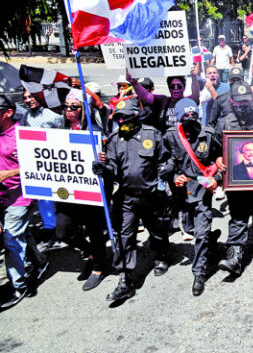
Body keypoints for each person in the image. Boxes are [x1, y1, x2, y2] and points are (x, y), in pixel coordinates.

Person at [92, 98, 171, 302]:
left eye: (125, 117)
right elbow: (112, 168)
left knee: (157, 230)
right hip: (127, 197)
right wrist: (103, 169)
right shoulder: (114, 139)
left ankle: (161, 256)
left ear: (136, 115)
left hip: (152, 195)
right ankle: (125, 280)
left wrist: (164, 172)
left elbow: (167, 159)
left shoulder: (151, 134)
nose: (121, 121)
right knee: (124, 236)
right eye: (118, 118)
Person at [215, 81, 253, 277]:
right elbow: (215, 148)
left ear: (252, 99)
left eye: (246, 101)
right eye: (238, 102)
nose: (242, 105)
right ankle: (235, 256)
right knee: (238, 215)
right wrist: (217, 159)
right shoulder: (225, 123)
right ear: (231, 101)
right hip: (236, 182)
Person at [161, 99, 222, 296]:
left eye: (193, 115)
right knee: (189, 228)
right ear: (179, 118)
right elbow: (161, 163)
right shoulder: (171, 137)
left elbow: (225, 159)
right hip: (181, 193)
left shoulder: (209, 136)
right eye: (185, 116)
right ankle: (209, 240)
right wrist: (172, 175)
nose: (190, 119)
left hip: (202, 190)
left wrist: (217, 178)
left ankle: (199, 273)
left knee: (201, 231)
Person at [55, 92, 108, 292]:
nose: (69, 110)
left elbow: (109, 160)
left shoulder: (93, 130)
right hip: (66, 191)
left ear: (83, 109)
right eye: (66, 106)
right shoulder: (58, 130)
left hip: (89, 191)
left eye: (74, 107)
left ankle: (98, 267)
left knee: (94, 231)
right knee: (62, 231)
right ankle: (90, 252)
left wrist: (103, 159)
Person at [0, 95, 47, 310]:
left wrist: (11, 171)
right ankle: (39, 261)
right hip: (2, 198)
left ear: (8, 112)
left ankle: (19, 285)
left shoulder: (22, 135)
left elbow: (39, 164)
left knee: (11, 239)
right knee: (22, 233)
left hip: (19, 196)